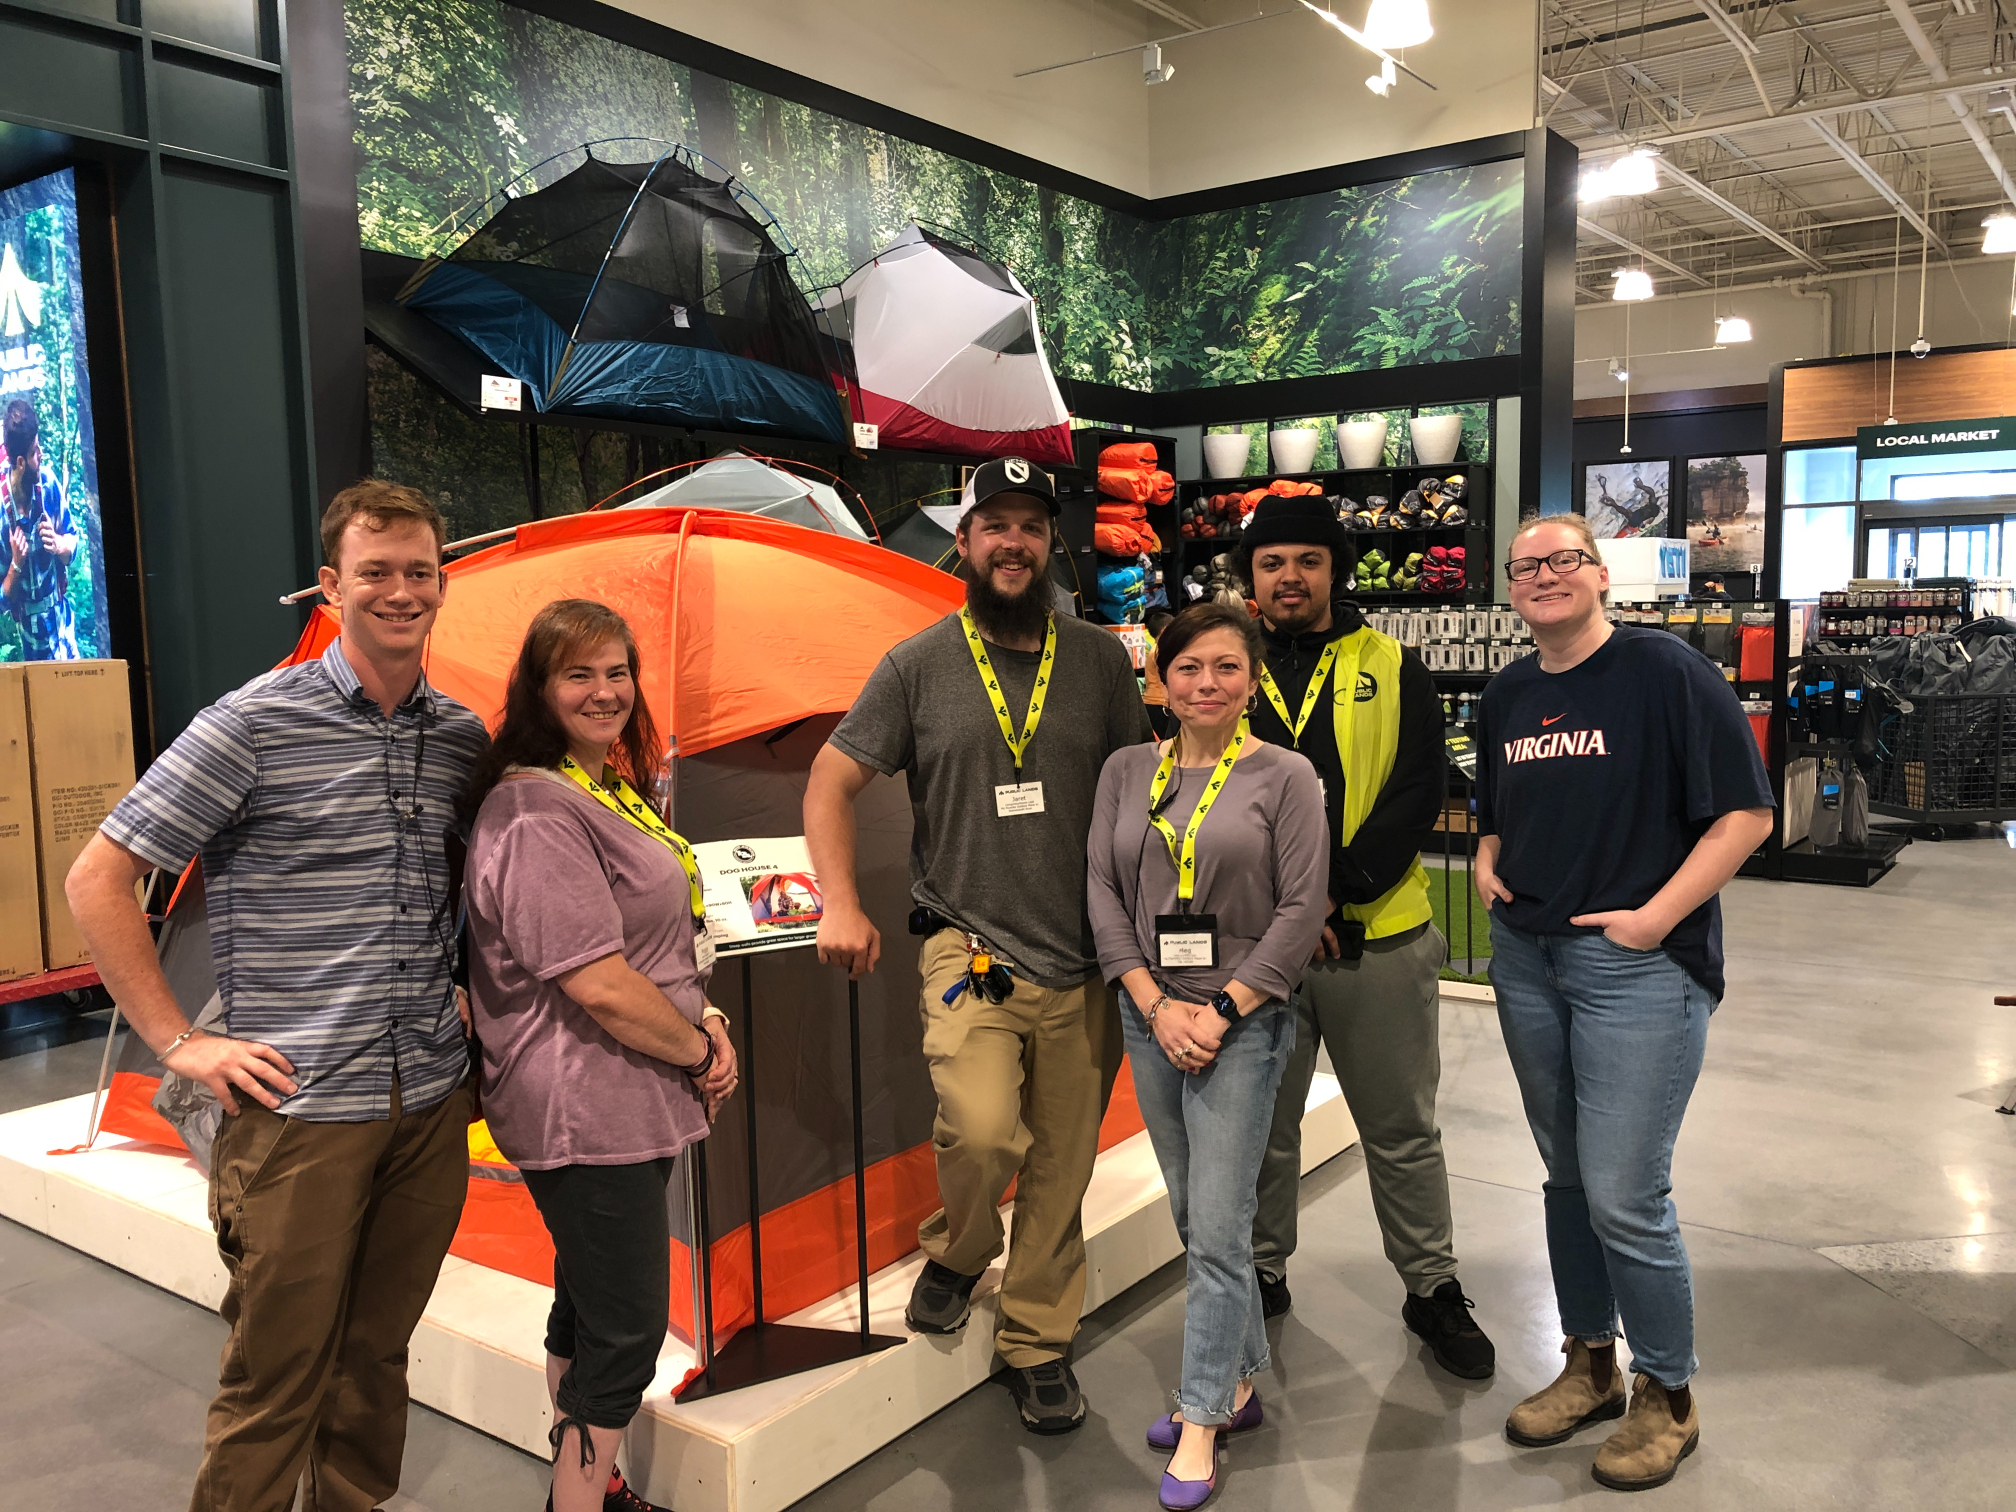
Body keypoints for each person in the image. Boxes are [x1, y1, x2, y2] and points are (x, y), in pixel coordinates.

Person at [65, 480, 490, 1512]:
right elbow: (98, 878)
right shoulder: (251, 724)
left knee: (377, 1362)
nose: (400, 591)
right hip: (297, 1111)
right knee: (275, 1376)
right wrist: (177, 1043)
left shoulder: (463, 737)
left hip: (429, 1104)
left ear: (443, 583)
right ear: (330, 587)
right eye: (375, 572)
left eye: (419, 572)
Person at [804, 455, 1152, 1434]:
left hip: (1087, 953)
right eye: (993, 525)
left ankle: (1037, 1341)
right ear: (963, 543)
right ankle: (960, 1249)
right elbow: (831, 782)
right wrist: (839, 899)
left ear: (1051, 544)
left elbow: (1137, 796)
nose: (1013, 542)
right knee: (985, 1127)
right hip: (972, 949)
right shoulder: (915, 666)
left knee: (1063, 1165)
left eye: (1030, 526)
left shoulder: (1097, 662)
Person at [1475, 515, 1773, 1492]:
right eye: (1527, 566)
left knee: (1625, 1190)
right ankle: (1591, 1362)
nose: (1545, 576)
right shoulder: (1510, 691)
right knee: (1565, 1175)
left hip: (1635, 968)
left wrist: (1654, 919)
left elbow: (1745, 813)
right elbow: (1496, 808)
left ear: (1601, 575)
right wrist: (1484, 855)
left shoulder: (1667, 674)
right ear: (1512, 589)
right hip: (1528, 959)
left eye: (1565, 559)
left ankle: (1668, 1393)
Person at [462, 598, 737, 1512]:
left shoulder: (602, 784)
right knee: (626, 1333)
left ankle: (595, 1484)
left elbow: (654, 945)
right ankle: (574, 1504)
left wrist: (704, 1022)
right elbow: (597, 982)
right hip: (585, 1103)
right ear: (539, 688)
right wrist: (697, 1048)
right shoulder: (535, 810)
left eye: (618, 670)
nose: (606, 690)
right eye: (579, 673)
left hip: (631, 1091)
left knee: (585, 1304)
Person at [1235, 494, 1497, 1380]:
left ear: (1334, 569)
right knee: (1260, 1129)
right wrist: (1287, 922)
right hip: (1253, 958)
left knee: (1400, 1128)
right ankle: (1260, 1275)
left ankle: (1432, 1289)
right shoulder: (1221, 669)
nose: (1290, 578)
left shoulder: (1395, 664)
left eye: (1307, 560)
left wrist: (1331, 902)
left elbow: (1418, 790)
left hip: (1376, 937)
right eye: (1272, 563)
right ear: (1251, 577)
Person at [1085, 602, 1326, 1509]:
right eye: (1188, 669)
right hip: (1151, 1017)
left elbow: (1302, 910)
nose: (1205, 685)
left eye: (1226, 668)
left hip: (1244, 1021)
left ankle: (1198, 1420)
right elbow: (1101, 889)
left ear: (1252, 679)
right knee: (1196, 1213)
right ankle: (1238, 1380)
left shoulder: (1284, 775)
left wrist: (1223, 1009)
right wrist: (1150, 1000)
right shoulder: (1124, 771)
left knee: (1221, 1232)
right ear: (1161, 680)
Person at [1, 397, 81, 660]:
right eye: (36, 451)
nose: (42, 454)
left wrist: (60, 544)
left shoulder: (48, 485)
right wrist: (16, 564)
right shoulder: (2, 516)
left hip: (63, 628)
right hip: (30, 644)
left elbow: (73, 543)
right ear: (21, 462)